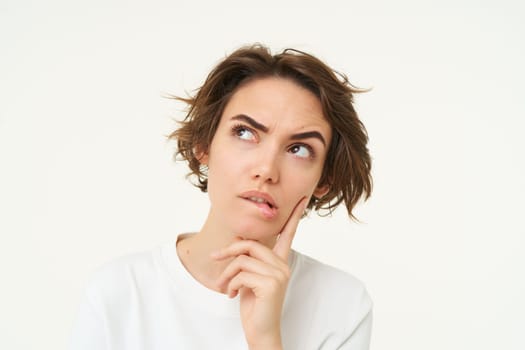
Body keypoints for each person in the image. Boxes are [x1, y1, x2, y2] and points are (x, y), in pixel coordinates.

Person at [69, 44, 373, 350]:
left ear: (324, 180)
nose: (267, 170)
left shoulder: (342, 305)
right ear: (204, 144)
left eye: (299, 149)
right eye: (245, 132)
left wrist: (265, 339)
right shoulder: (119, 292)